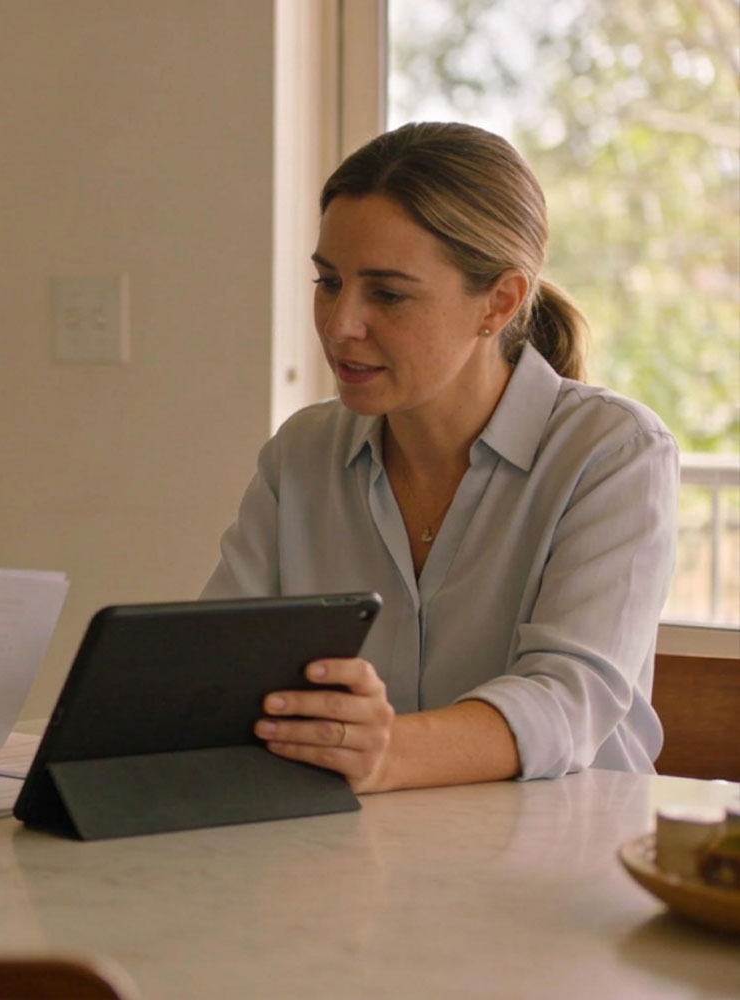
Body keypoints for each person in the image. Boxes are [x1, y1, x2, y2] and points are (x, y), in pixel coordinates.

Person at [203, 121, 678, 795]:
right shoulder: (300, 454)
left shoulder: (611, 451)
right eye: (328, 281)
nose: (340, 324)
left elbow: (567, 702)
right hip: (354, 854)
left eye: (387, 294)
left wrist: (382, 751)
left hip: (567, 862)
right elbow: (219, 672)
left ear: (500, 302)